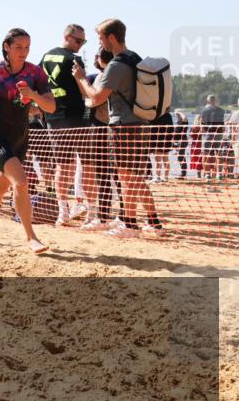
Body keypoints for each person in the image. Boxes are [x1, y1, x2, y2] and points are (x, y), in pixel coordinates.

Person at [0, 27, 55, 254]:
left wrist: (34, 96)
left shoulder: (35, 73)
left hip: (20, 137)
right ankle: (31, 237)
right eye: (18, 47)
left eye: (27, 47)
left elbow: (51, 106)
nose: (23, 52)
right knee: (21, 182)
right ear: (6, 46)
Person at [74, 18, 163, 237]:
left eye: (101, 38)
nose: (100, 43)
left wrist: (82, 78)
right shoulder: (135, 58)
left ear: (111, 37)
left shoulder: (117, 64)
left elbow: (96, 98)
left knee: (125, 176)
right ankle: (153, 223)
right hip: (141, 122)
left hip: (123, 125)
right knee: (135, 176)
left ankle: (130, 225)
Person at [39, 24, 91, 226]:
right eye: (78, 41)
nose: (80, 45)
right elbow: (85, 90)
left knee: (63, 165)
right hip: (76, 116)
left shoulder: (45, 57)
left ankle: (63, 213)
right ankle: (92, 212)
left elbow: (37, 80)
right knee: (87, 165)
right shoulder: (74, 59)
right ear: (67, 37)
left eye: (83, 42)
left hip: (53, 116)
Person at [80, 49, 116, 231]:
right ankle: (117, 216)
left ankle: (103, 217)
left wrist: (82, 80)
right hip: (112, 127)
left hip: (104, 127)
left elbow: (94, 100)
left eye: (96, 56)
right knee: (115, 175)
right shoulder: (115, 72)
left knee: (105, 175)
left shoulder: (105, 75)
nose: (94, 58)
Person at [199, 94, 227, 182]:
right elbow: (223, 125)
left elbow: (202, 124)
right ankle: (219, 174)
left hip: (208, 134)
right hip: (218, 134)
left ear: (208, 101)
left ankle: (207, 174)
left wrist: (202, 132)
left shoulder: (204, 110)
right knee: (219, 153)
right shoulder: (221, 110)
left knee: (206, 154)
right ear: (215, 100)